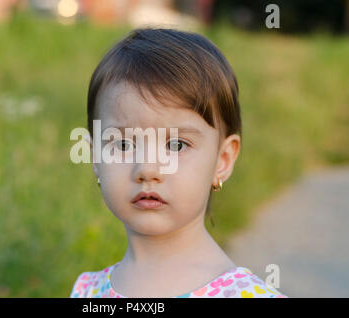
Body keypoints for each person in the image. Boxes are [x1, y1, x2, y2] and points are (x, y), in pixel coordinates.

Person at [70, 27, 287, 298]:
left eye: (176, 145)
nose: (147, 169)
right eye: (123, 144)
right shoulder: (87, 291)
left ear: (222, 160)